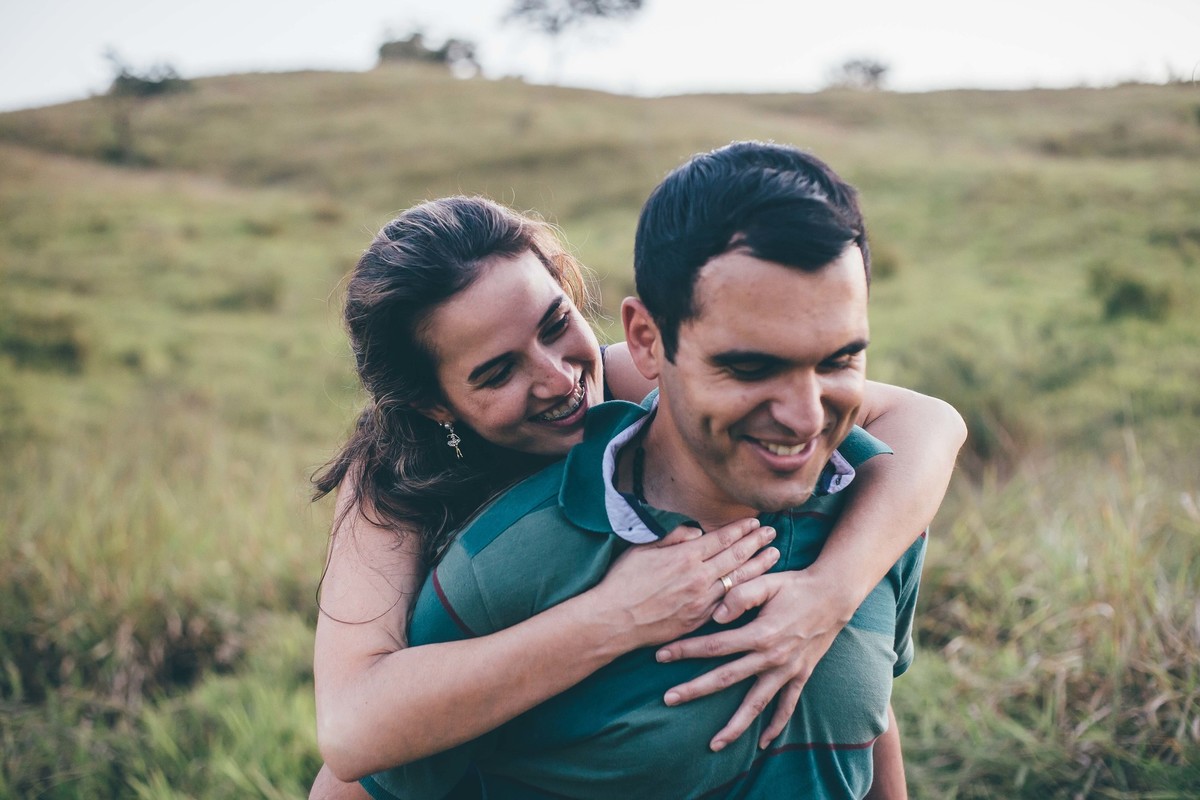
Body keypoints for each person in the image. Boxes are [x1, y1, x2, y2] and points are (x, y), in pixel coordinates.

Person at [312, 188, 965, 797]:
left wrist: (829, 593)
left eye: (554, 323)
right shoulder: (394, 487)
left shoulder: (634, 381)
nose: (559, 378)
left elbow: (929, 422)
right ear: (434, 404)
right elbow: (351, 734)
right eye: (497, 371)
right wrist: (617, 615)